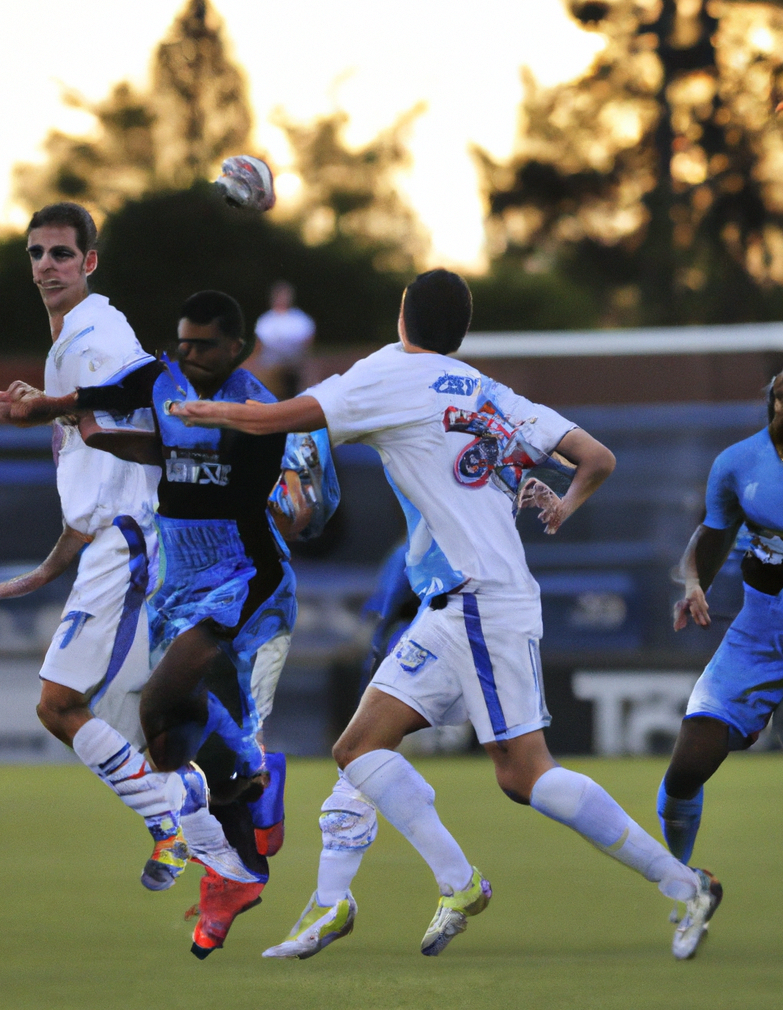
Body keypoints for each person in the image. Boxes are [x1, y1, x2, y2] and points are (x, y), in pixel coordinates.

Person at [171, 268, 718, 962]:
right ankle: (456, 882)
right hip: (455, 605)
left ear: (403, 315)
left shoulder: (391, 374)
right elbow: (596, 458)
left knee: (525, 774)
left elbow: (282, 417)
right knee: (359, 748)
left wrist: (209, 412)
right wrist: (564, 502)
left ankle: (684, 883)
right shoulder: (483, 388)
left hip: (484, 601)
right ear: (459, 330)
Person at [0, 289, 339, 958]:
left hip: (242, 580)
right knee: (167, 744)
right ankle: (237, 863)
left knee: (165, 702)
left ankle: (252, 774)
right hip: (179, 587)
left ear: (238, 351)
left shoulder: (258, 413)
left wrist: (297, 497)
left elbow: (302, 502)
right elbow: (123, 408)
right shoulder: (162, 381)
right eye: (182, 343)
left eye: (203, 346)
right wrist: (62, 415)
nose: (188, 355)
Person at [0, 202, 202, 896]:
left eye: (61, 254)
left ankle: (171, 828)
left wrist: (30, 406)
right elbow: (90, 470)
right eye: (35, 254)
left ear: (89, 263)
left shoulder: (92, 333)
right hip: (116, 541)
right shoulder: (77, 340)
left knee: (58, 705)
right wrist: (50, 565)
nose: (46, 266)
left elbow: (125, 404)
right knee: (128, 728)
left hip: (132, 542)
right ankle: (199, 812)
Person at [656, 369, 783, 952]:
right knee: (685, 768)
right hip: (758, 633)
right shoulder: (739, 463)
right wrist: (692, 582)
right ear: (773, 403)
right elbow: (709, 538)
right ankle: (688, 888)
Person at [253, 281, 315, 398]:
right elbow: (259, 345)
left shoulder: (300, 319)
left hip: (294, 366)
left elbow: (307, 343)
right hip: (271, 366)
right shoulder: (266, 320)